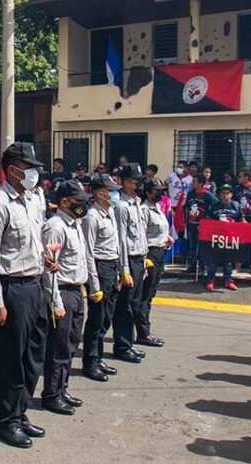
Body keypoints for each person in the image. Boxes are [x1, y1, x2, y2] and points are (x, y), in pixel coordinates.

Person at [0, 142, 50, 449]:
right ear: (12, 169)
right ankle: (6, 422)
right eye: (28, 167)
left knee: (33, 356)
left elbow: (35, 243)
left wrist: (47, 262)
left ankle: (20, 412)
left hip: (35, 286)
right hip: (10, 289)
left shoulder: (32, 200)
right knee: (10, 361)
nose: (34, 173)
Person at [41, 180, 89, 416]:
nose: (83, 205)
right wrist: (56, 302)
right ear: (64, 202)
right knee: (58, 348)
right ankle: (51, 394)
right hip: (62, 292)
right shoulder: (55, 227)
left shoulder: (75, 224)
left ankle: (62, 388)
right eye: (78, 201)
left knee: (70, 345)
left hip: (76, 290)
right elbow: (48, 269)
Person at [81, 174, 123, 382]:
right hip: (99, 267)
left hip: (111, 267)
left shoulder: (110, 213)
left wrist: (120, 271)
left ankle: (98, 358)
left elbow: (116, 245)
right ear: (100, 193)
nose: (115, 194)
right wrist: (94, 284)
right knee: (96, 319)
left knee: (106, 317)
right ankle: (90, 361)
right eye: (111, 190)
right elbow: (88, 252)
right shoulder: (91, 217)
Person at [112, 164, 149, 363]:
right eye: (137, 181)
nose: (139, 185)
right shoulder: (121, 206)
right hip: (129, 261)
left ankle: (129, 343)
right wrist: (124, 269)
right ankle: (122, 346)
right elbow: (121, 240)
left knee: (134, 305)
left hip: (139, 260)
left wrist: (143, 262)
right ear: (126, 183)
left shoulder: (137, 203)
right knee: (124, 307)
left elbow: (140, 236)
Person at [139, 178, 173, 345]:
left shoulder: (157, 207)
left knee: (150, 294)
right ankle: (143, 332)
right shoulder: (144, 210)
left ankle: (143, 330)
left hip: (160, 252)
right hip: (149, 254)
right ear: (148, 192)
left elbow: (159, 230)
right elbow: (141, 236)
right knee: (144, 295)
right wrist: (144, 260)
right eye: (157, 191)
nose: (160, 194)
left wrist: (166, 238)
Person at [204, 185, 243, 291]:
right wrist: (203, 227)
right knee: (213, 260)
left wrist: (250, 227)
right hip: (216, 238)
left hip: (230, 238)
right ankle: (210, 280)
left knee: (228, 261)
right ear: (219, 195)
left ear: (231, 194)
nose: (225, 195)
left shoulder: (236, 205)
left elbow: (241, 220)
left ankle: (228, 280)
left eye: (227, 193)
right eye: (223, 193)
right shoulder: (214, 206)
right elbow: (208, 220)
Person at [185, 174, 218, 273]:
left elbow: (216, 204)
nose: (192, 183)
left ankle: (202, 266)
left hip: (202, 224)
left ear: (200, 183)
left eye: (194, 182)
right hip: (192, 222)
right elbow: (187, 207)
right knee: (193, 245)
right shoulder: (190, 194)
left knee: (202, 246)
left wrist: (208, 218)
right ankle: (193, 265)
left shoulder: (207, 195)